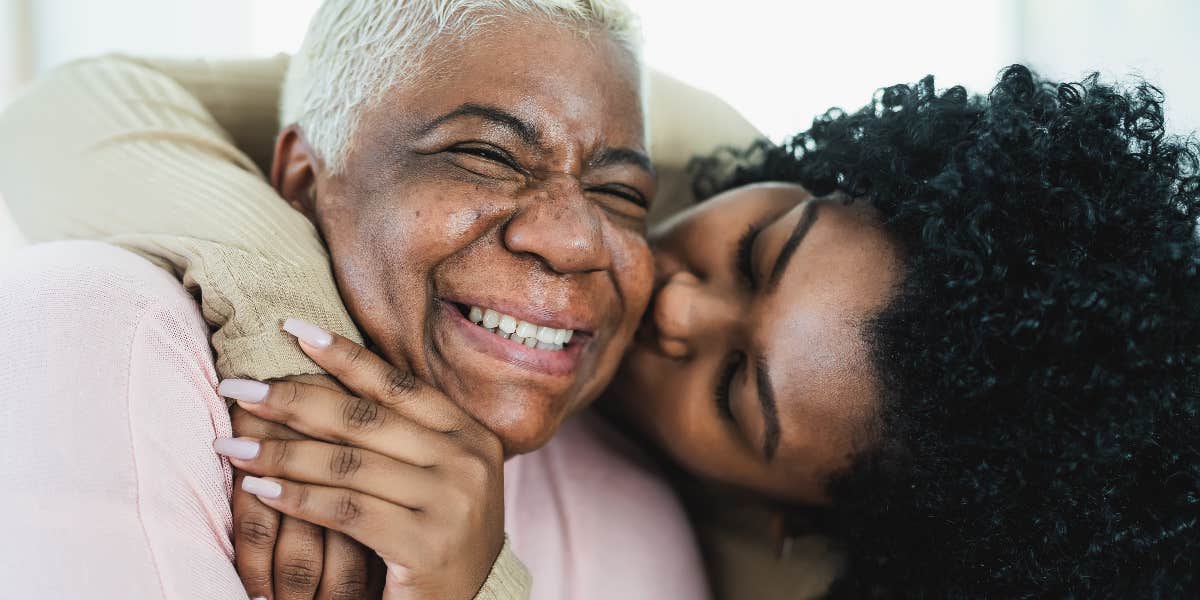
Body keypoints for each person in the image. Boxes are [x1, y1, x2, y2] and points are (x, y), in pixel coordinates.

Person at [5, 17, 1197, 599]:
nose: (676, 300)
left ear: (776, 517)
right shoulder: (650, 141)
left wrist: (485, 580)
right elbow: (86, 106)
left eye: (737, 391)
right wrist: (295, 349)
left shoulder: (748, 568)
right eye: (761, 250)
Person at [0, 0, 758, 598]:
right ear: (301, 180)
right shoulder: (101, 342)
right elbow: (65, 109)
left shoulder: (631, 514)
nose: (575, 241)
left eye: (621, 193)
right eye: (487, 155)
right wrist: (295, 346)